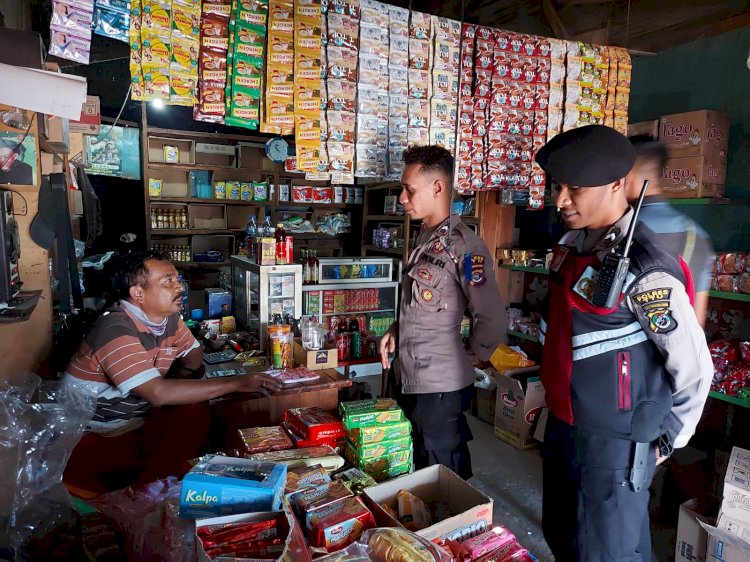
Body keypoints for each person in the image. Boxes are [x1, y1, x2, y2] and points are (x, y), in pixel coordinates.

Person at [534, 125, 714, 562]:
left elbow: (695, 368)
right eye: (559, 187)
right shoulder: (574, 247)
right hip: (564, 429)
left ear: (617, 184)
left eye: (574, 189)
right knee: (564, 539)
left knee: (606, 552)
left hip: (613, 445)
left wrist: (668, 442)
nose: (560, 200)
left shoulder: (647, 269)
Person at [63, 251, 282, 494]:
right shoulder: (114, 329)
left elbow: (194, 353)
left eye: (178, 279)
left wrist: (183, 378)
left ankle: (156, 485)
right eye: (168, 281)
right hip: (95, 436)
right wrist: (236, 383)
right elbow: (158, 393)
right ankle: (145, 494)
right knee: (199, 414)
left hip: (137, 424)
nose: (179, 287)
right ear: (138, 293)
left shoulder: (167, 319)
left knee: (196, 410)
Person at [379, 145, 505, 480]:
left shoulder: (465, 247)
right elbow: (422, 305)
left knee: (442, 473)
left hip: (439, 387)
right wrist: (396, 329)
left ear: (438, 187)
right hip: (410, 377)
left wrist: (472, 355)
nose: (403, 199)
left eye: (409, 190)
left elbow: (491, 317)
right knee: (415, 464)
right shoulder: (427, 239)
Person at [626, 135, 715, 326]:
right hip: (678, 350)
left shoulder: (620, 228)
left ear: (628, 176)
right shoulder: (696, 234)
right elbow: (696, 319)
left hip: (625, 353)